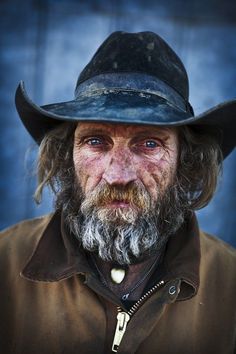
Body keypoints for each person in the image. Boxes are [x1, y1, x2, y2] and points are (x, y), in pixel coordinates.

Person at [0, 31, 235, 354]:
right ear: (66, 155)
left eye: (149, 143)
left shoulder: (230, 282)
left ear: (187, 161)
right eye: (96, 141)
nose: (117, 175)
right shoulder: (4, 261)